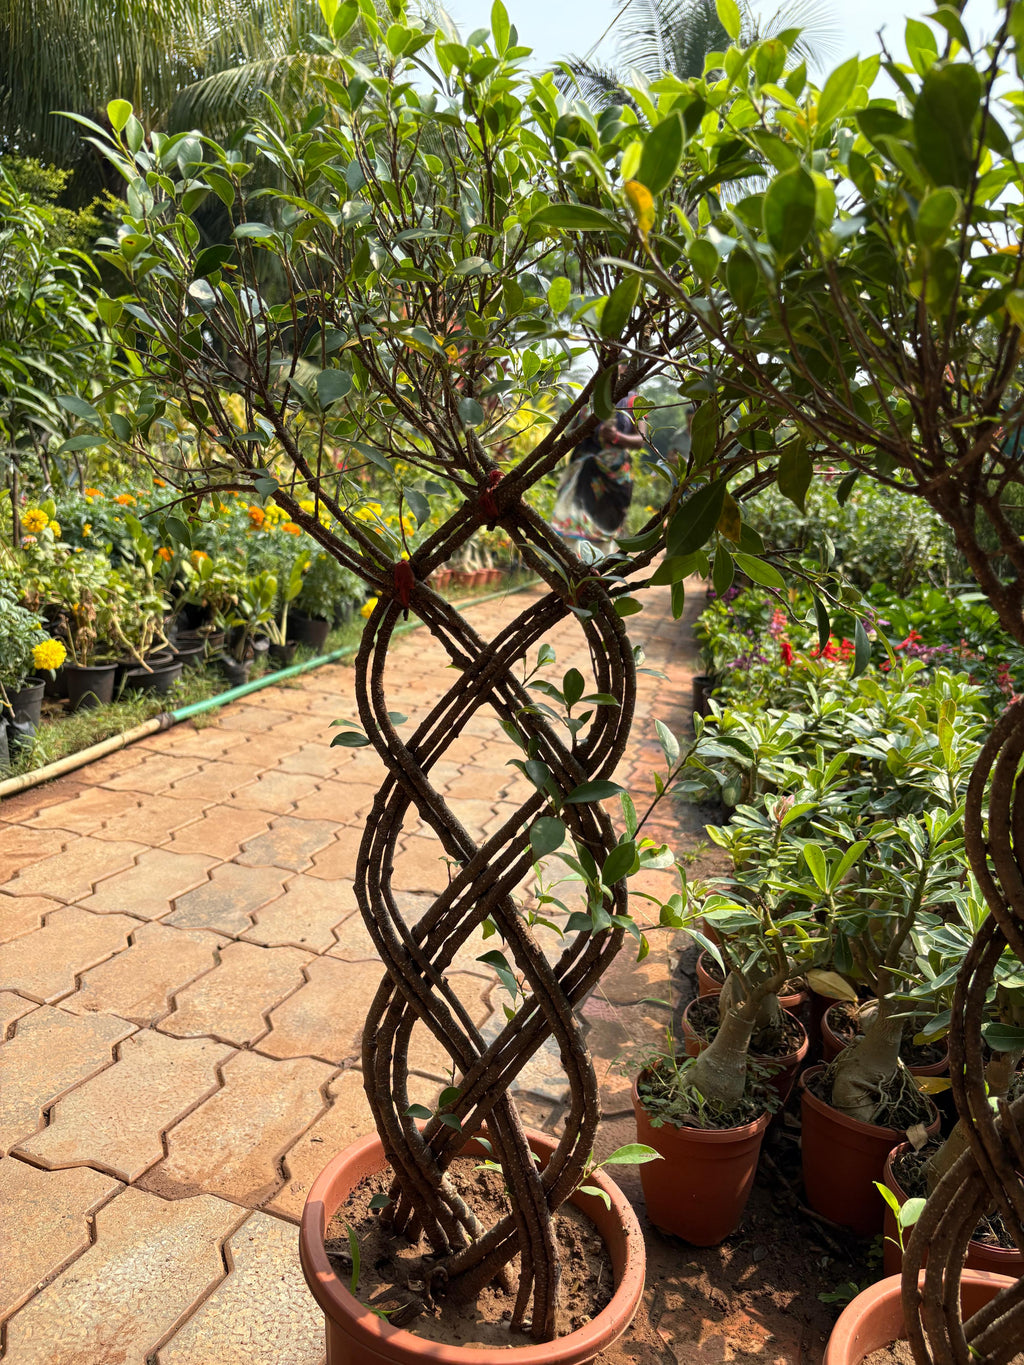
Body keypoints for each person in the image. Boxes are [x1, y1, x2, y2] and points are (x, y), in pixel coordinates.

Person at [551, 379, 647, 557]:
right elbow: (571, 434)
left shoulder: (634, 402)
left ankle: (597, 572)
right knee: (572, 521)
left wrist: (616, 436)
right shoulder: (589, 400)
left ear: (628, 371)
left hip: (613, 477)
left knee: (604, 527)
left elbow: (641, 440)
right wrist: (584, 430)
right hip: (581, 472)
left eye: (619, 368)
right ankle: (572, 570)